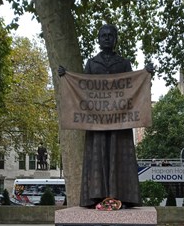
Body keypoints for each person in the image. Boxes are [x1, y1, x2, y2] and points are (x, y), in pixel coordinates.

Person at [58, 24, 153, 209]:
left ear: (115, 39)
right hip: (97, 122)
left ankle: (121, 197)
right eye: (103, 35)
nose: (107, 38)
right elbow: (83, 89)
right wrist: (66, 77)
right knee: (97, 156)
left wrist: (146, 74)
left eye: (110, 35)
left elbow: (132, 86)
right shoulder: (92, 64)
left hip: (121, 121)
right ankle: (97, 197)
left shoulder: (124, 63)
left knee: (119, 155)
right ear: (98, 39)